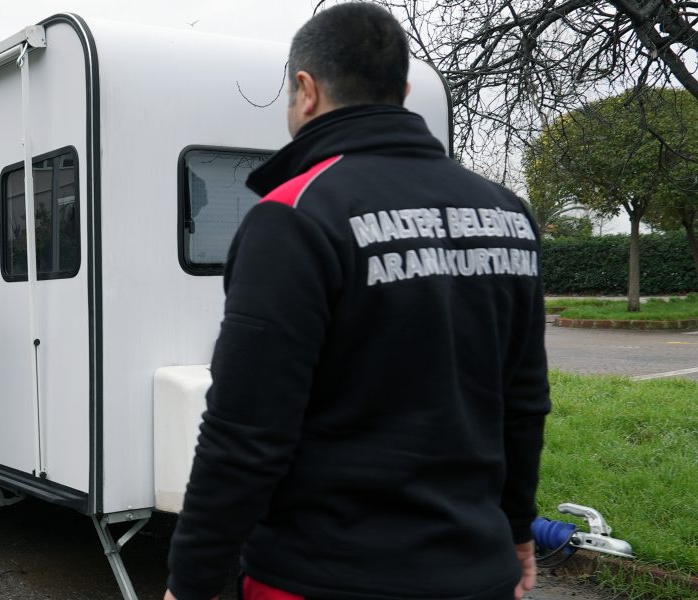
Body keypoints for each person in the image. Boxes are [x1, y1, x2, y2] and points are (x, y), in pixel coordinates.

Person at [164, 4, 550, 600]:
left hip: (322, 576)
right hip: (478, 573)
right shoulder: (506, 214)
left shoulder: (293, 217)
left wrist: (189, 585)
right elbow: (523, 404)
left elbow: (244, 436)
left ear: (306, 90)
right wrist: (518, 530)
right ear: (404, 91)